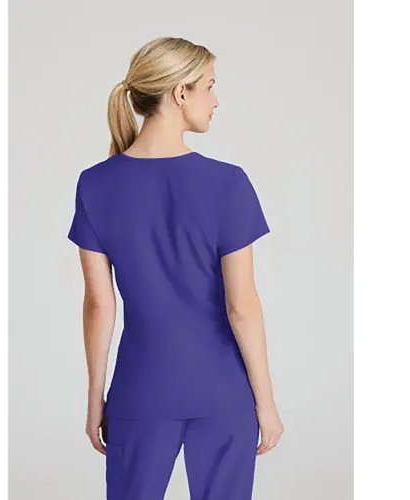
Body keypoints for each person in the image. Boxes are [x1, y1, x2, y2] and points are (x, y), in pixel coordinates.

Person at [67, 36, 284, 499]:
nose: (216, 100)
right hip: (222, 389)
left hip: (140, 389)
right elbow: (242, 307)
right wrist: (265, 402)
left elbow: (100, 306)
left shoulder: (95, 184)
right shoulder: (228, 183)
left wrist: (95, 397)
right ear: (180, 93)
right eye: (210, 86)